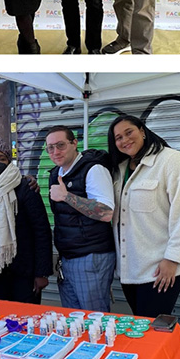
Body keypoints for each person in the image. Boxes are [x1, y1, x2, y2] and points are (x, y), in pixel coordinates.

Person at [109, 115, 180, 317]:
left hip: (162, 266)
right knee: (142, 323)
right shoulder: (120, 169)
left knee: (152, 325)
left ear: (142, 131)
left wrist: (172, 259)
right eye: (118, 138)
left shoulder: (171, 161)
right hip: (130, 268)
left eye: (129, 132)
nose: (124, 140)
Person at [45, 126, 116, 311]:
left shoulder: (94, 169)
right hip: (68, 256)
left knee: (93, 318)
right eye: (50, 148)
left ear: (74, 143)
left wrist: (66, 196)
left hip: (90, 256)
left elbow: (106, 212)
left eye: (60, 145)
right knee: (74, 319)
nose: (55, 151)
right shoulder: (56, 173)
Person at [0, 137, 53, 303]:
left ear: (9, 161)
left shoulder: (25, 186)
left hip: (25, 269)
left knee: (28, 319)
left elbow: (41, 230)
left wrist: (42, 272)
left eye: (1, 158)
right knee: (2, 318)